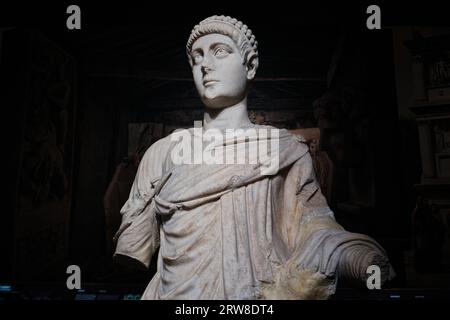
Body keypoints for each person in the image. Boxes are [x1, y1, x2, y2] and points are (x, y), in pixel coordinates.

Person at [113, 15, 394, 299]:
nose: (205, 65)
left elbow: (315, 227)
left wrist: (353, 256)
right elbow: (133, 246)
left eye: (219, 51)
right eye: (196, 57)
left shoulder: (285, 150)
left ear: (250, 66)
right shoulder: (162, 153)